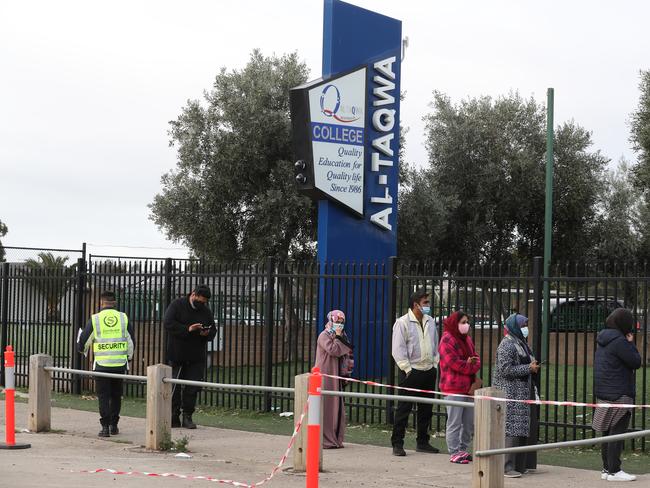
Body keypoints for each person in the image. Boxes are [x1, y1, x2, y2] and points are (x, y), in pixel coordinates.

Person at [592, 308, 641, 482]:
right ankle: (614, 470)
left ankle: (606, 468)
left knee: (607, 431)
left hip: (604, 392)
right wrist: (630, 343)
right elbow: (636, 362)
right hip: (620, 392)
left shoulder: (603, 339)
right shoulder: (620, 341)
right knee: (617, 432)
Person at [390, 288, 440, 456]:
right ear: (415, 304)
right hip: (411, 372)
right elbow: (398, 348)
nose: (428, 305)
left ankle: (423, 442)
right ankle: (397, 443)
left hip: (428, 370)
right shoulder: (402, 322)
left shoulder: (431, 321)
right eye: (425, 302)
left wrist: (435, 364)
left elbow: (435, 343)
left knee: (426, 409)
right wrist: (407, 369)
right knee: (404, 408)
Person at [77, 290, 134, 437]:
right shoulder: (123, 318)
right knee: (116, 395)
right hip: (120, 365)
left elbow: (83, 342)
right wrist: (128, 358)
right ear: (115, 303)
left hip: (102, 365)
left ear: (101, 303)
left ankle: (105, 428)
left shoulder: (95, 319)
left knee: (103, 396)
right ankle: (114, 425)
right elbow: (131, 341)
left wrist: (81, 348)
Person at [492, 313, 540, 478]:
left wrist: (532, 367)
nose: (525, 328)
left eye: (526, 324)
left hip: (523, 393)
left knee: (523, 428)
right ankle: (507, 466)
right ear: (514, 327)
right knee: (511, 428)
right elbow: (504, 370)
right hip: (510, 393)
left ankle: (520, 465)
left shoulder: (522, 344)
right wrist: (528, 368)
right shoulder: (507, 345)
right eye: (522, 325)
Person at [164, 284, 217, 429]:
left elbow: (213, 330)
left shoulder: (205, 311)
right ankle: (174, 415)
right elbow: (168, 323)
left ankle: (188, 416)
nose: (201, 304)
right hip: (178, 354)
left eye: (204, 302)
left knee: (192, 387)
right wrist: (188, 329)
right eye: (200, 301)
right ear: (193, 295)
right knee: (174, 386)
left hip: (196, 355)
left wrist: (206, 333)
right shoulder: (177, 305)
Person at [439, 311, 481, 464]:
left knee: (469, 422)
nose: (466, 325)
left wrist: (471, 364)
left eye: (467, 322)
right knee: (454, 421)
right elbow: (454, 363)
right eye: (463, 322)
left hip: (469, 387)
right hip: (453, 387)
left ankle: (463, 449)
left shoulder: (467, 339)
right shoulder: (446, 340)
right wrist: (469, 365)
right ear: (455, 323)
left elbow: (476, 360)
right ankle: (454, 451)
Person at [314, 309, 354, 449]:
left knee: (337, 407)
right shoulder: (324, 336)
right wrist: (337, 337)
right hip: (326, 375)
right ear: (331, 321)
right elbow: (334, 350)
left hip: (337, 376)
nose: (339, 325)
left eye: (342, 322)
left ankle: (336, 439)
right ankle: (326, 440)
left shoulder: (343, 336)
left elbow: (347, 352)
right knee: (328, 406)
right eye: (337, 321)